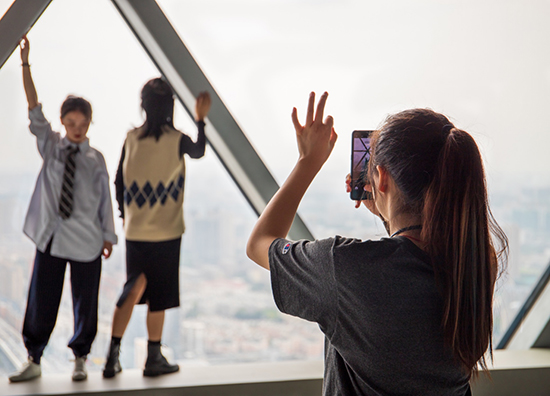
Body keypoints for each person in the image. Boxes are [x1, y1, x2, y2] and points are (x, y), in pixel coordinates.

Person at [247, 92, 508, 395]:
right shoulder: (476, 262)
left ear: (381, 179)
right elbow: (408, 262)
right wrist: (387, 210)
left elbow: (260, 243)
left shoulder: (345, 266)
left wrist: (309, 162)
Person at [8, 36, 117, 383]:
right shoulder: (52, 146)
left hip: (86, 239)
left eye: (82, 125)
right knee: (42, 300)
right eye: (71, 123)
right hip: (52, 238)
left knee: (86, 303)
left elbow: (104, 201)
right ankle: (34, 357)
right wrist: (25, 64)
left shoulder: (96, 158)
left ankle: (80, 358)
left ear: (89, 124)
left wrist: (108, 236)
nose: (76, 130)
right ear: (63, 122)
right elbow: (33, 107)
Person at [103, 78, 211, 378]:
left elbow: (118, 181)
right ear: (169, 107)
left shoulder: (131, 138)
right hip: (167, 231)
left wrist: (126, 214)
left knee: (134, 287)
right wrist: (200, 119)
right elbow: (199, 150)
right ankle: (153, 357)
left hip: (136, 231)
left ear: (143, 105)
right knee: (159, 295)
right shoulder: (176, 139)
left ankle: (112, 355)